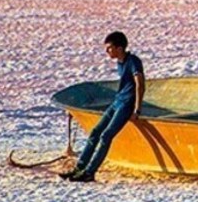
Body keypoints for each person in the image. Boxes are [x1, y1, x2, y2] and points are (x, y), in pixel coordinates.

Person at [62, 31, 145, 183]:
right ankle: (79, 168)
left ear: (119, 48)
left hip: (126, 105)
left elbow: (140, 84)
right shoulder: (120, 62)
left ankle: (89, 172)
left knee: (106, 136)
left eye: (110, 48)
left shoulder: (133, 61)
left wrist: (137, 109)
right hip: (117, 101)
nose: (107, 52)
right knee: (95, 132)